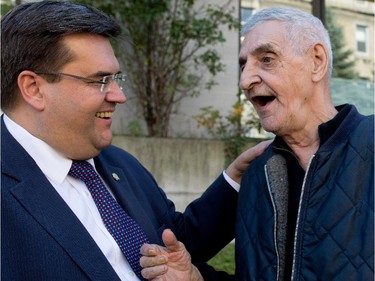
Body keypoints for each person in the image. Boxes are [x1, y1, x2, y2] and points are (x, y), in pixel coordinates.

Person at [0, 1, 271, 281]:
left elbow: (176, 245)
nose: (119, 95)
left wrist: (236, 179)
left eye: (116, 78)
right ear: (33, 89)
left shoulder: (120, 163)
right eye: (100, 80)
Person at [139, 6, 374, 281]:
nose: (245, 80)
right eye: (243, 65)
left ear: (317, 61)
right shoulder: (256, 173)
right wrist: (194, 277)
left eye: (266, 59)